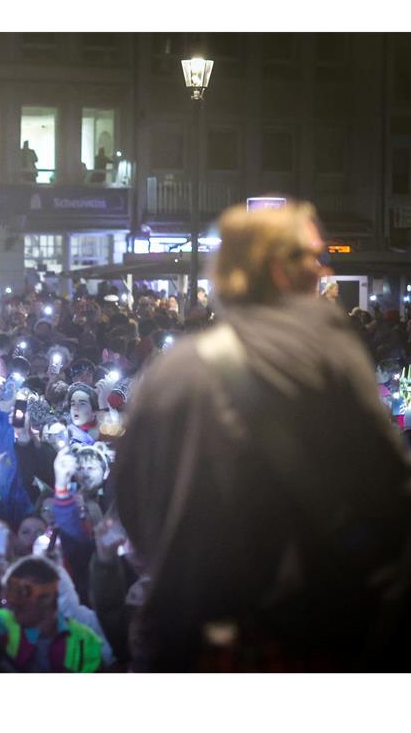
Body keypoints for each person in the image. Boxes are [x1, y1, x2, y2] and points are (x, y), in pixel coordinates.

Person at [112, 201, 411, 671]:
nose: (324, 269)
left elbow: (131, 498)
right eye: (314, 257)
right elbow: (385, 494)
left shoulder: (175, 369)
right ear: (278, 267)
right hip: (306, 637)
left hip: (190, 636)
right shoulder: (328, 354)